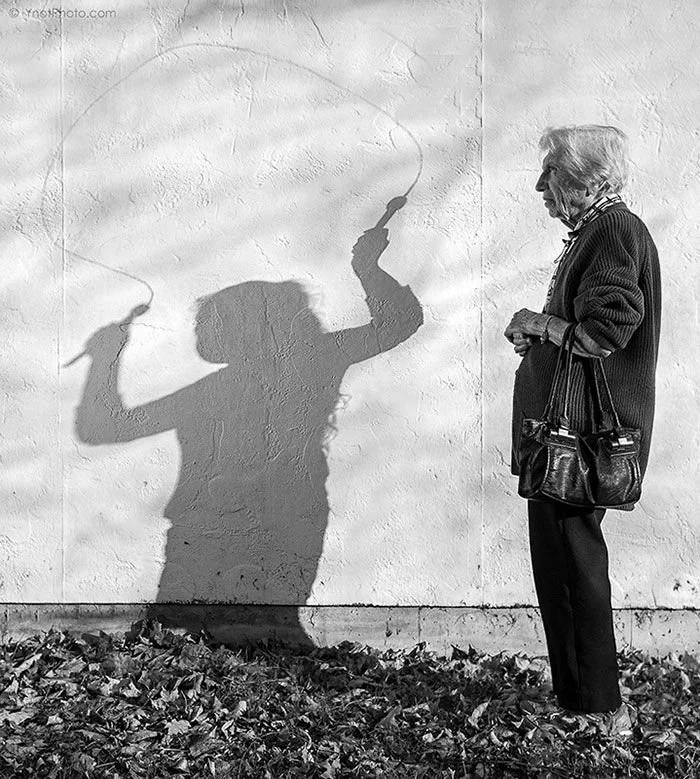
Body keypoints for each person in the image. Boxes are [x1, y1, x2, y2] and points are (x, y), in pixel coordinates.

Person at [504, 126, 662, 719]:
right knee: (562, 567)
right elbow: (586, 330)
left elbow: (606, 331)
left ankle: (598, 708)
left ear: (586, 178)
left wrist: (539, 323)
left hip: (583, 437)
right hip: (569, 434)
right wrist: (544, 338)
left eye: (552, 172)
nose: (541, 186)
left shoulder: (614, 230)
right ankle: (579, 701)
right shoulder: (596, 232)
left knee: (573, 568)